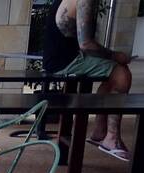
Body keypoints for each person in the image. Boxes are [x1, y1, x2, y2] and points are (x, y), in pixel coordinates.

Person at [41, 0, 132, 161]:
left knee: (114, 73)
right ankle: (111, 137)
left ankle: (99, 132)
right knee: (121, 73)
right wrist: (115, 55)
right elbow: (86, 44)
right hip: (64, 62)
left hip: (59, 59)